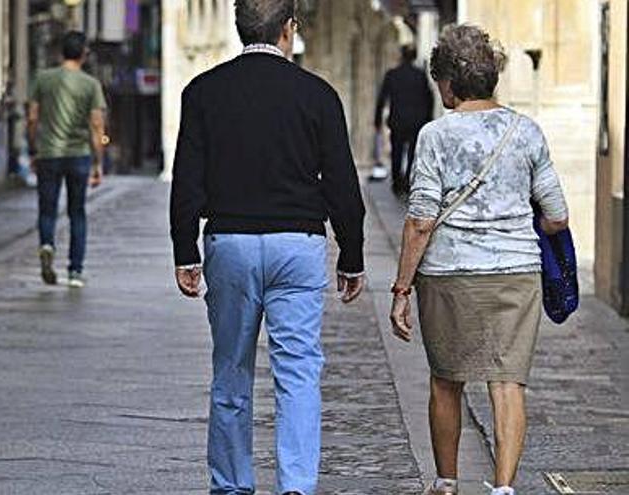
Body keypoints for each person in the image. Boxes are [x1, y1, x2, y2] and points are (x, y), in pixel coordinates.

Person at [169, 1, 366, 493]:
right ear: (289, 30)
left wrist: (184, 250)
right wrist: (353, 254)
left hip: (230, 242)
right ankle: (296, 485)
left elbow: (187, 179)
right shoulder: (318, 95)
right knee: (298, 371)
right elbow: (342, 182)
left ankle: (233, 484)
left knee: (231, 370)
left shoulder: (204, 92)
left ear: (239, 29)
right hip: (297, 245)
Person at [389, 25, 569, 495]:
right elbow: (557, 215)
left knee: (447, 380)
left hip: (450, 277)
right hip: (515, 275)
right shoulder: (526, 131)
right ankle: (504, 488)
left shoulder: (435, 136)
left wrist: (401, 289)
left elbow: (421, 221)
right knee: (508, 382)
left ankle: (447, 483)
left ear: (448, 81)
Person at [28, 31, 107, 288]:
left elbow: (32, 117)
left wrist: (33, 149)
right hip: (78, 156)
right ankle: (75, 270)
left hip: (49, 154)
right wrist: (98, 163)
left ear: (61, 52)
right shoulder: (90, 84)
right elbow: (97, 126)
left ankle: (47, 243)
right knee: (77, 213)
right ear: (84, 54)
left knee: (47, 208)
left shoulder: (43, 79)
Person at [375, 45, 434, 195]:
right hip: (417, 121)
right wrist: (428, 118)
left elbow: (382, 98)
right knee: (413, 153)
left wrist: (377, 119)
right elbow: (429, 98)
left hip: (398, 121)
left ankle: (396, 183)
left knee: (397, 151)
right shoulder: (420, 75)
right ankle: (408, 179)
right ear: (414, 57)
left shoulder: (392, 74)